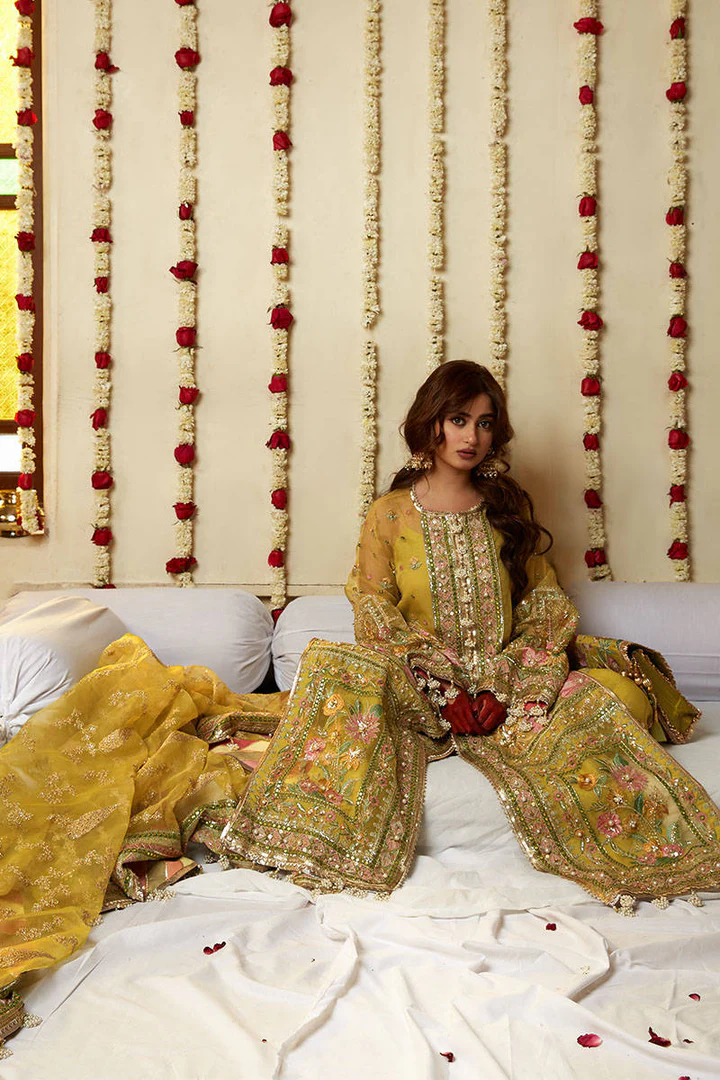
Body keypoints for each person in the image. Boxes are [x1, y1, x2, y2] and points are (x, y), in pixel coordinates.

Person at [1, 361, 719, 1044]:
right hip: (420, 681)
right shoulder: (391, 515)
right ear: (430, 424)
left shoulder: (507, 510)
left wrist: (507, 686)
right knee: (346, 674)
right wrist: (445, 690)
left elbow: (546, 606)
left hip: (510, 678)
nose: (471, 436)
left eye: (484, 422)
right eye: (458, 419)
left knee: (615, 693)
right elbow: (376, 614)